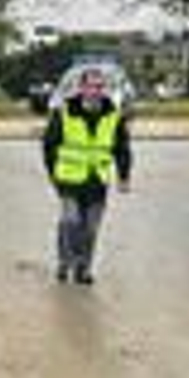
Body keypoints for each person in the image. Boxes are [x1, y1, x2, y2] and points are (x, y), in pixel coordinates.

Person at [42, 67, 132, 284]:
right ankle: (65, 262)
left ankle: (83, 268)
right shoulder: (64, 112)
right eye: (91, 86)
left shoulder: (114, 115)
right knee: (71, 220)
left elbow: (122, 147)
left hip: (97, 180)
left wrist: (123, 175)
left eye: (100, 87)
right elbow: (49, 145)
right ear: (81, 88)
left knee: (91, 229)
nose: (95, 91)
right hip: (69, 179)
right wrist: (54, 172)